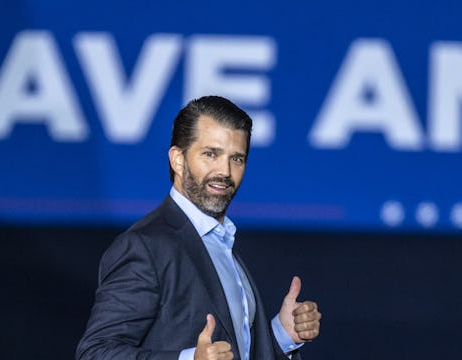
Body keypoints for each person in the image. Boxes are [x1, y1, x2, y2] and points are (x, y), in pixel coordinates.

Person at [76, 96, 321, 360]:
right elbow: (96, 352)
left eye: (236, 159)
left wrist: (282, 335)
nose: (225, 171)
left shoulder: (221, 244)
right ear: (178, 160)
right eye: (210, 154)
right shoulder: (144, 246)